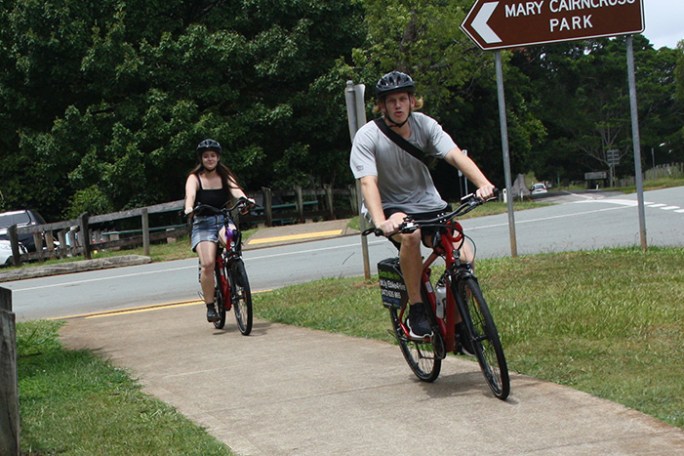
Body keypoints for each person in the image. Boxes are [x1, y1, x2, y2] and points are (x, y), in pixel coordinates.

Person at [349, 70, 496, 340]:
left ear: (412, 101)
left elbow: (454, 154)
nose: (397, 106)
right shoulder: (367, 136)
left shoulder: (425, 125)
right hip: (392, 208)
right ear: (381, 106)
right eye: (390, 101)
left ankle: (460, 324)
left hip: (429, 204)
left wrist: (483, 184)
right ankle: (417, 308)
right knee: (411, 235)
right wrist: (381, 221)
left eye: (402, 99)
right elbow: (368, 182)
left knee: (464, 258)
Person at [184, 138, 253, 322]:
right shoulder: (195, 177)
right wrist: (189, 208)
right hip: (203, 224)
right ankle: (210, 305)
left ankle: (236, 270)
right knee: (207, 264)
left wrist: (244, 199)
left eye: (213, 155)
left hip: (223, 220)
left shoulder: (224, 175)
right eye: (206, 156)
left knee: (232, 238)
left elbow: (235, 190)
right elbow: (190, 195)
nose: (209, 159)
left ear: (218, 157)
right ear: (201, 159)